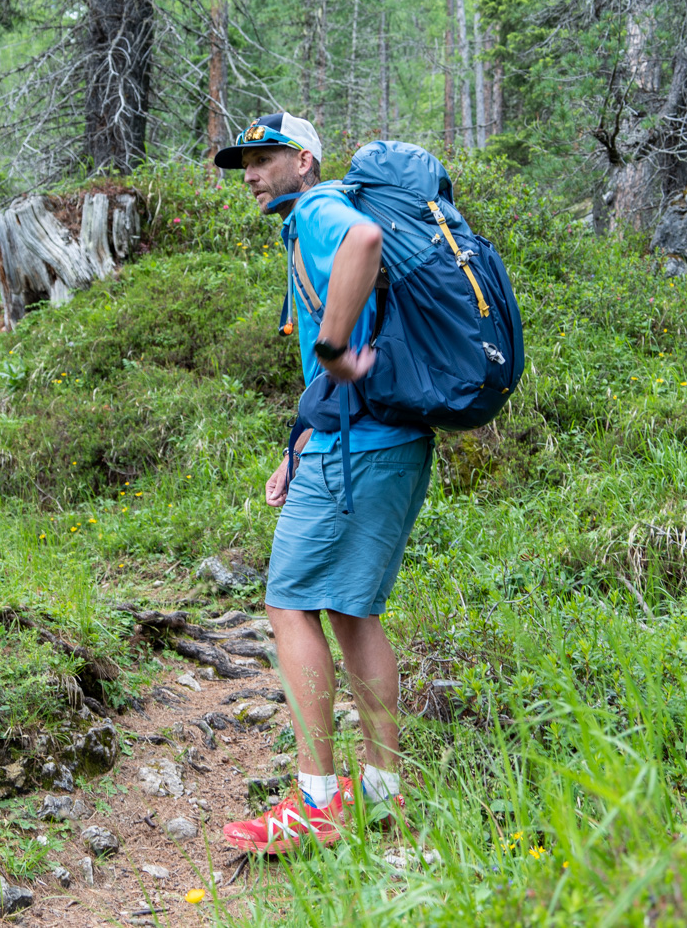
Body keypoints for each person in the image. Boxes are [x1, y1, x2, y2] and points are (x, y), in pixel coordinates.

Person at [212, 113, 433, 854]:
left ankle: (316, 801)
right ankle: (381, 793)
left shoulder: (319, 210)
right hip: (379, 440)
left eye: (265, 158)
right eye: (245, 161)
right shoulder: (325, 209)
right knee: (353, 612)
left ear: (304, 160)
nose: (250, 172)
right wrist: (300, 437)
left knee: (289, 603)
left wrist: (335, 350)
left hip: (359, 448)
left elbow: (361, 248)